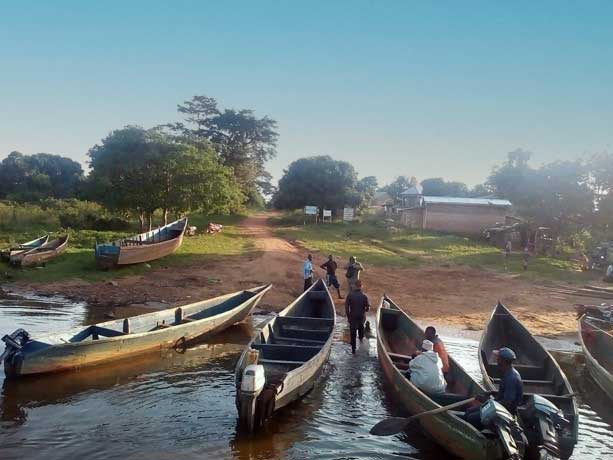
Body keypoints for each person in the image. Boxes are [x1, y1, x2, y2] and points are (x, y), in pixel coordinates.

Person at [464, 347, 523, 428]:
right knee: (468, 411)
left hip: (505, 412)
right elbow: (504, 394)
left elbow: (508, 403)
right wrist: (491, 393)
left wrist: (486, 400)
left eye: (498, 358)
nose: (496, 360)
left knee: (471, 418)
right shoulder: (508, 372)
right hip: (497, 406)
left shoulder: (511, 378)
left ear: (502, 361)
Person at [345, 279, 370, 354]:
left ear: (354, 286)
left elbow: (346, 308)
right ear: (361, 286)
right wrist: (366, 308)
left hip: (352, 316)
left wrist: (348, 317)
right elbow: (367, 309)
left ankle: (353, 350)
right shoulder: (364, 296)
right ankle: (361, 347)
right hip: (361, 317)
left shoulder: (350, 295)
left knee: (353, 334)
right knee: (361, 332)